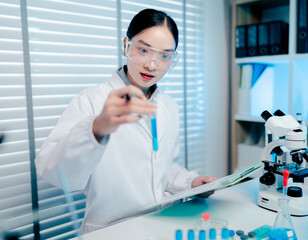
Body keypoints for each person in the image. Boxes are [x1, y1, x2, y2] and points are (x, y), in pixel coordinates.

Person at [35, 8, 216, 234]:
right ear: (125, 45)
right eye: (143, 50)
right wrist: (96, 129)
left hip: (162, 225)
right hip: (112, 231)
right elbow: (54, 172)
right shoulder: (91, 100)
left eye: (165, 56)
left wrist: (190, 182)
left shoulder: (169, 106)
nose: (152, 65)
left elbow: (161, 166)